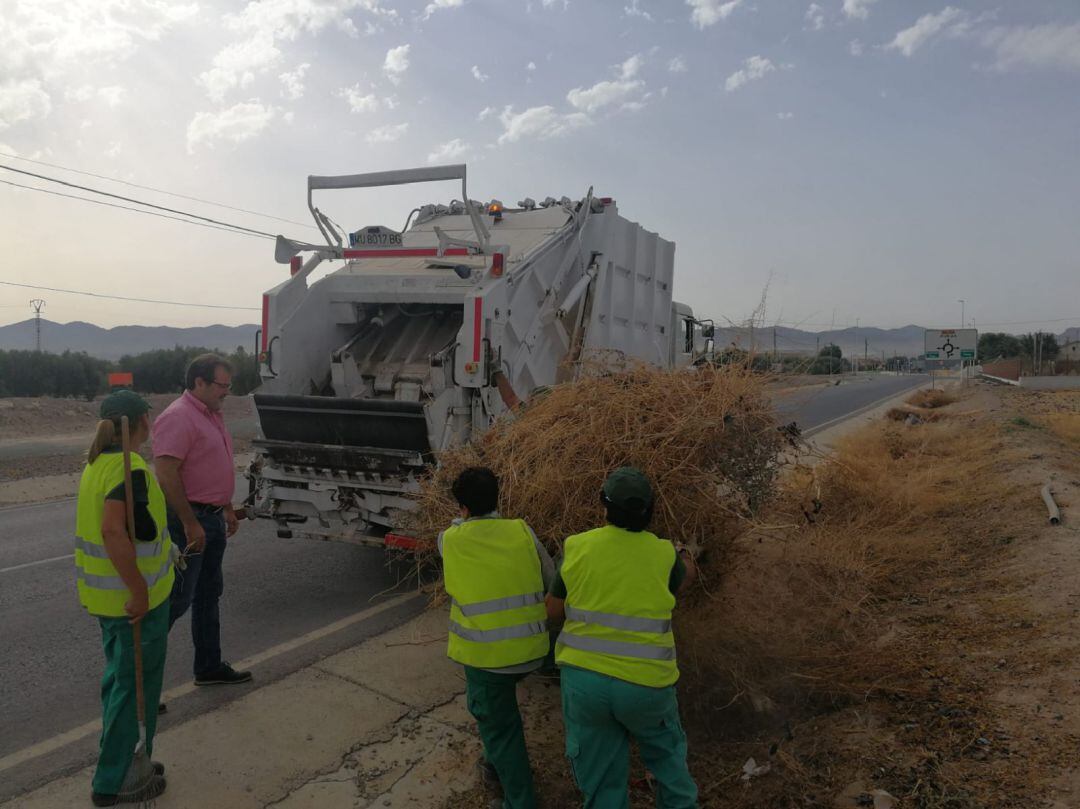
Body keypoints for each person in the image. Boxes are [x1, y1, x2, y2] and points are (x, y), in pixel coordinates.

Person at [546, 467, 698, 809]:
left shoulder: (577, 546)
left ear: (604, 506)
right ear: (650, 511)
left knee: (600, 782)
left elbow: (552, 610)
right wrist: (686, 552)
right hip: (646, 685)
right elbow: (685, 578)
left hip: (586, 685)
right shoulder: (663, 554)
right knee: (669, 764)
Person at [75, 390, 174, 806]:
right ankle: (116, 780)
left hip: (106, 600)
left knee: (119, 681)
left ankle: (126, 759)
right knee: (135, 689)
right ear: (138, 424)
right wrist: (138, 591)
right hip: (131, 603)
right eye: (148, 418)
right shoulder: (128, 467)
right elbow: (113, 531)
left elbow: (136, 526)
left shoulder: (97, 463)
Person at [438, 467, 555, 809]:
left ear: (462, 508)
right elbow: (551, 580)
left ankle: (520, 803)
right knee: (498, 716)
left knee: (501, 729)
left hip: (487, 660)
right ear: (498, 498)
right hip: (534, 649)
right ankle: (492, 763)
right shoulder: (522, 530)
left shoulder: (451, 539)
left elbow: (451, 537)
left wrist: (463, 520)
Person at [153, 353, 251, 687]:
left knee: (209, 593)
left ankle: (208, 667)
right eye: (222, 386)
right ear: (199, 383)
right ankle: (142, 687)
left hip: (211, 517)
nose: (227, 392)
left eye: (229, 386)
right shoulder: (179, 417)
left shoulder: (211, 414)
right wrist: (189, 523)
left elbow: (210, 464)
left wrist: (225, 506)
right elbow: (166, 473)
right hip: (189, 520)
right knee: (176, 600)